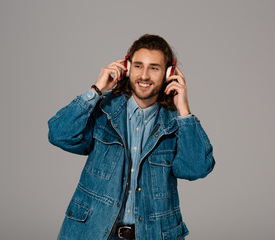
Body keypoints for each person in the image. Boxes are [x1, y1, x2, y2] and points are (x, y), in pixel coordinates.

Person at [48, 34, 215, 240]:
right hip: (93, 233)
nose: (144, 76)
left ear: (168, 74)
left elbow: (195, 168)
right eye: (138, 66)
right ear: (127, 68)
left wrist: (184, 111)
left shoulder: (175, 124)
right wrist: (96, 90)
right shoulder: (103, 112)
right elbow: (59, 134)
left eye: (154, 68)